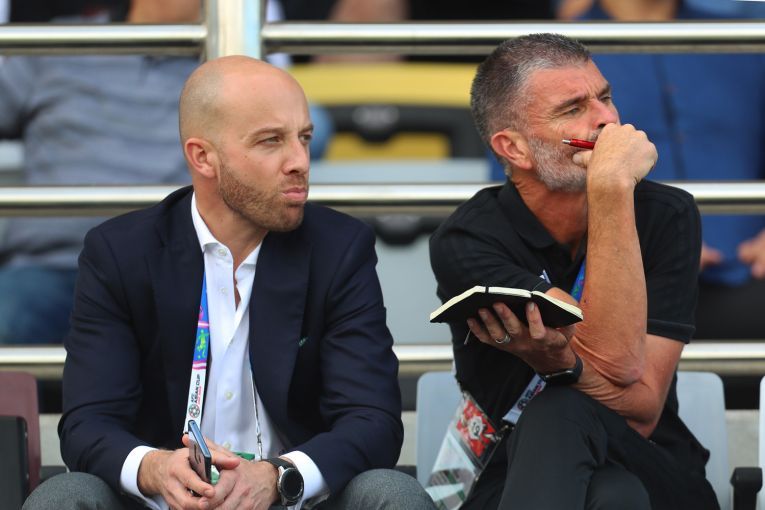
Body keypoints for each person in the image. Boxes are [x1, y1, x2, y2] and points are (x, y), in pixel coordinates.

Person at [23, 56, 435, 510]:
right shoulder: (121, 253)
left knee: (393, 494)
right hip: (166, 503)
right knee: (63, 497)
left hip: (291, 499)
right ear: (203, 157)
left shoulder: (339, 248)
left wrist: (279, 475)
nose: (300, 161)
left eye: (304, 137)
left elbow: (373, 420)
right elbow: (87, 423)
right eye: (271, 141)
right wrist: (156, 469)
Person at [430, 33, 718, 509]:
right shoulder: (469, 238)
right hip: (512, 467)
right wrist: (611, 187)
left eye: (605, 97)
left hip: (652, 462)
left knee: (562, 409)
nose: (607, 119)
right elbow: (616, 363)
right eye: (573, 109)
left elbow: (643, 407)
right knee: (609, 489)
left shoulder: (667, 214)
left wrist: (563, 364)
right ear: (514, 148)